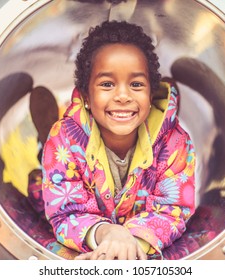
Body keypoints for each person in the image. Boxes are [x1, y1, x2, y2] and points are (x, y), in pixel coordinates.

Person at [41, 20, 196, 260]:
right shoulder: (63, 139)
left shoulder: (175, 143)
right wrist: (106, 234)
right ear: (86, 97)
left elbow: (173, 210)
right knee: (37, 189)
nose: (123, 96)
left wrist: (127, 243)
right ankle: (41, 138)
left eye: (136, 84)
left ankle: (166, 110)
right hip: (65, 163)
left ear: (150, 93)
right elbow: (64, 213)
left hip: (139, 221)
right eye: (107, 84)